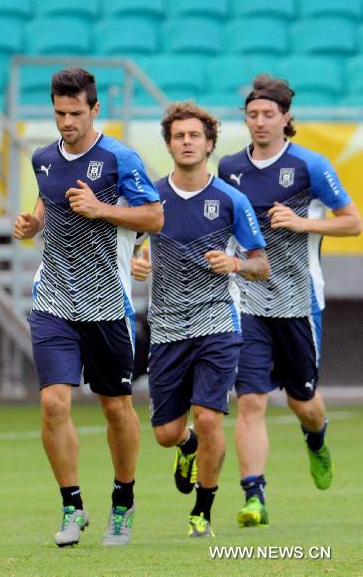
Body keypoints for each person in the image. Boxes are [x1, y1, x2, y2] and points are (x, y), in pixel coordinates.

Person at [12, 67, 162, 547]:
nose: (67, 122)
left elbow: (154, 216)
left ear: (95, 110)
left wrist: (103, 209)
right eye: (59, 113)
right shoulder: (42, 159)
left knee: (115, 408)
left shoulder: (120, 158)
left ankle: (123, 499)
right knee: (54, 402)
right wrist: (33, 223)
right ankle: (72, 505)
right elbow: (45, 203)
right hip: (53, 299)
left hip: (106, 305)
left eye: (76, 113)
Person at [218, 75, 362, 527]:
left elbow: (352, 223)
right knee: (251, 401)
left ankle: (316, 438)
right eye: (253, 114)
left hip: (299, 304)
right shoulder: (228, 168)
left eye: (268, 114)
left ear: (286, 119)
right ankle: (253, 496)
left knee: (305, 402)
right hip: (246, 302)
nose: (260, 122)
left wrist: (303, 225)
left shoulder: (310, 166)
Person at [131, 102, 270, 538]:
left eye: (195, 136)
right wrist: (136, 259)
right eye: (179, 136)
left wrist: (235, 263)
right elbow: (128, 243)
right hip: (166, 327)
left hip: (218, 322)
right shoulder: (150, 197)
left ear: (210, 144)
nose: (187, 142)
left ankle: (202, 511)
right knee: (167, 434)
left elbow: (261, 264)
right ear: (169, 144)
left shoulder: (232, 199)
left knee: (210, 418)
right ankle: (186, 447)